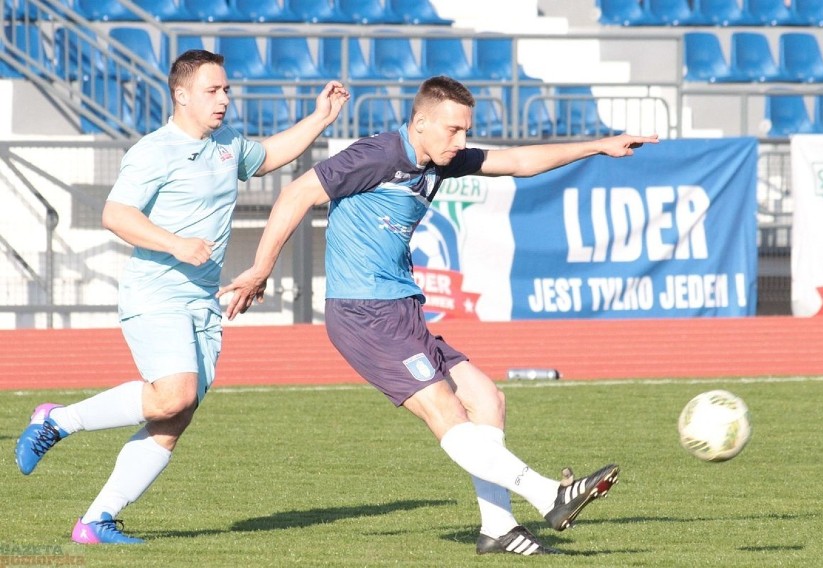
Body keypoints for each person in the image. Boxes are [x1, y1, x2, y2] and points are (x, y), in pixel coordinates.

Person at [219, 75, 659, 556]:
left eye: (466, 131)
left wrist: (599, 145)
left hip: (402, 310)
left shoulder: (439, 159)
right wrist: (261, 268)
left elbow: (515, 161)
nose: (462, 141)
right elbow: (297, 193)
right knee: (447, 413)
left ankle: (498, 528)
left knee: (488, 399)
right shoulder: (379, 154)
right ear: (421, 122)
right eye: (453, 130)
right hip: (363, 313)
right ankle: (548, 493)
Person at [14, 49, 349, 544]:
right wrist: (176, 244)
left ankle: (96, 520)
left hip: (202, 301)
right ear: (182, 95)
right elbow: (117, 214)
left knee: (175, 416)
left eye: (227, 90)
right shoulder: (154, 150)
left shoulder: (228, 144)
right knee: (174, 394)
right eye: (213, 91)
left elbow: (272, 155)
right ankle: (58, 420)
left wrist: (321, 117)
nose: (224, 100)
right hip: (156, 292)